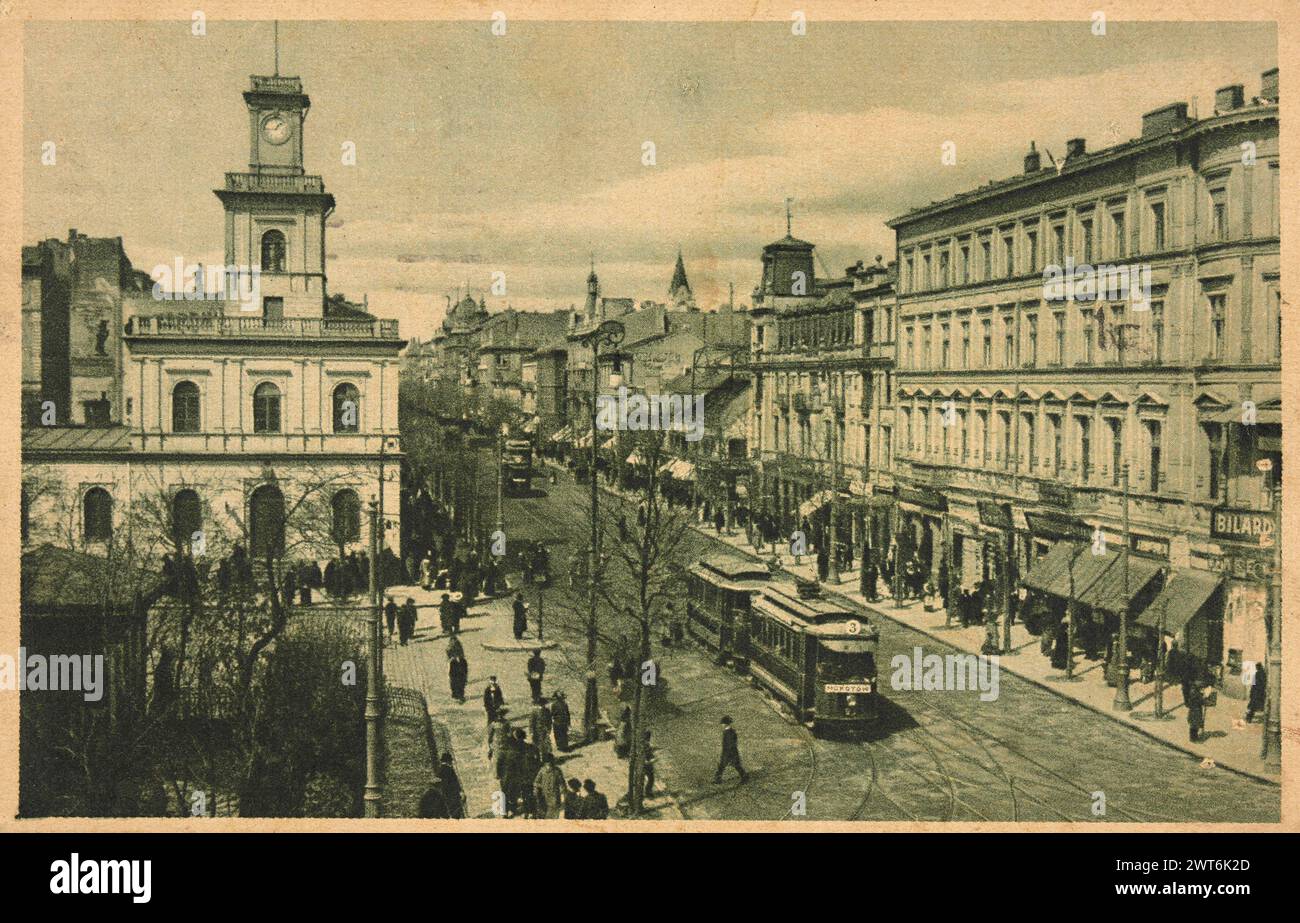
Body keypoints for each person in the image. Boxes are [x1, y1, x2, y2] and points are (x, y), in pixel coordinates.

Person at [714, 715, 749, 783]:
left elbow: (731, 744)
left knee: (735, 765)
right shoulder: (730, 731)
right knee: (723, 766)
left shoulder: (729, 732)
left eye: (722, 723)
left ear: (725, 724)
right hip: (730, 752)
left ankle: (745, 777)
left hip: (730, 752)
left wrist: (728, 754)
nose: (721, 725)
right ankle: (718, 779)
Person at [533, 753, 566, 819]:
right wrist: (539, 787)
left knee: (553, 815)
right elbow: (536, 782)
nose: (548, 765)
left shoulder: (557, 771)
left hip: (554, 797)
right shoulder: (542, 771)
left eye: (550, 763)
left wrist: (563, 791)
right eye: (547, 763)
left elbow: (562, 782)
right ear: (545, 763)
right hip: (544, 797)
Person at [438, 752, 464, 819]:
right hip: (453, 794)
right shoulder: (449, 769)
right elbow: (454, 783)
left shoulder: (440, 770)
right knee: (456, 810)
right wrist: (460, 792)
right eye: (450, 761)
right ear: (448, 761)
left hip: (447, 795)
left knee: (452, 810)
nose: (451, 762)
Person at [641, 729, 657, 799]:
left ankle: (644, 793)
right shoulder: (645, 746)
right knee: (651, 779)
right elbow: (645, 761)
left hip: (644, 765)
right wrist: (654, 760)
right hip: (645, 765)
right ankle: (647, 793)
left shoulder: (642, 744)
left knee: (643, 780)